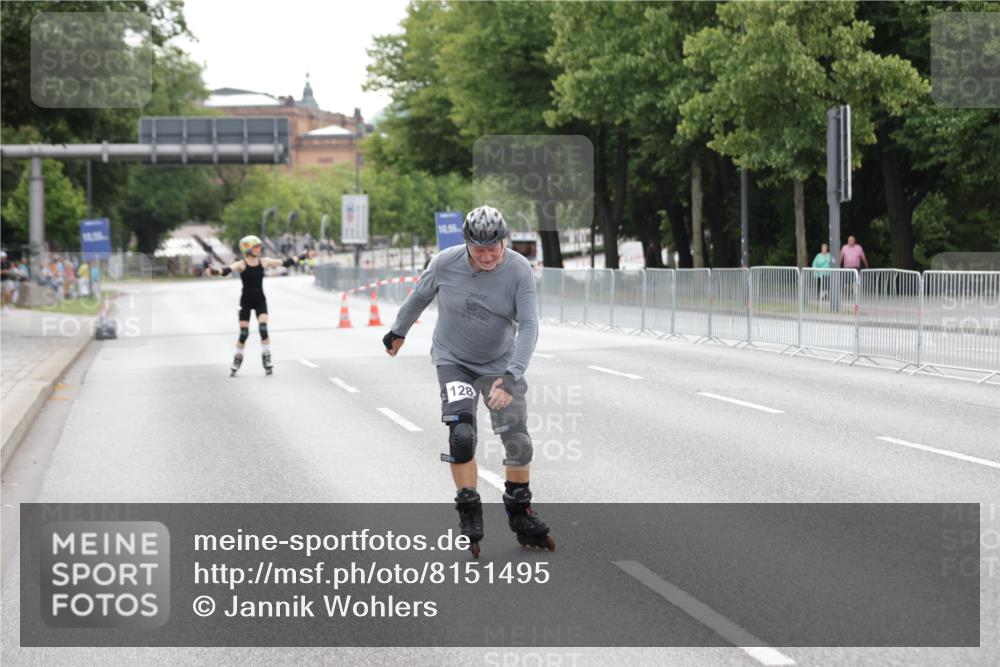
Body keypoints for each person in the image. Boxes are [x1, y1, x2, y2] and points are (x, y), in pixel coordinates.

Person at [382, 205, 552, 557]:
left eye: (494, 248)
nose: (488, 256)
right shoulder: (445, 262)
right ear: (466, 243)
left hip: (499, 365)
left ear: (503, 242)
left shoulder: (519, 270)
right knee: (461, 434)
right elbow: (420, 295)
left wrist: (510, 377)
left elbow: (530, 327)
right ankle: (469, 508)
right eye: (479, 250)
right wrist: (397, 331)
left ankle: (521, 514)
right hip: (453, 361)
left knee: (517, 441)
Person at [203, 235, 310, 376]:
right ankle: (237, 358)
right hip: (245, 302)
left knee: (263, 329)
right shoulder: (241, 264)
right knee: (243, 334)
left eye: (260, 247)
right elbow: (226, 270)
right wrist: (215, 271)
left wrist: (302, 256)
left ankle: (266, 357)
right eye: (256, 247)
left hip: (260, 300)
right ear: (247, 249)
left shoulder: (264, 262)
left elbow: (285, 262)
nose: (259, 249)